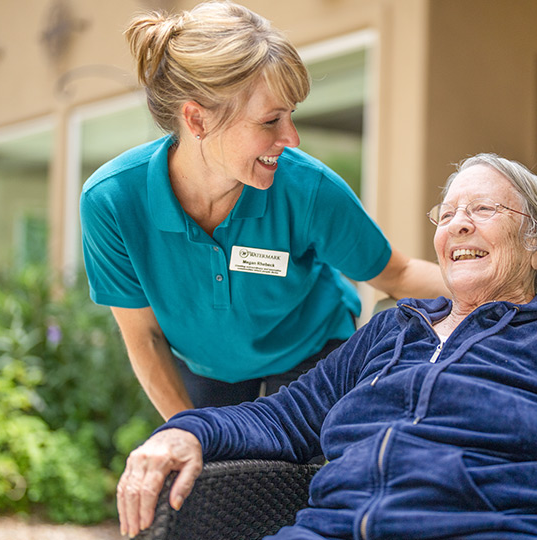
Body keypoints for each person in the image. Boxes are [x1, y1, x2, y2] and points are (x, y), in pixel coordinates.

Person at [117, 153, 537, 540]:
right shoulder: (392, 329)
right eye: (448, 213)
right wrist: (188, 430)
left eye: (483, 209)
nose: (457, 224)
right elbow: (284, 417)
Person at [79, 1, 448, 419]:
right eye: (271, 120)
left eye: (291, 115)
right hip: (206, 369)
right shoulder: (112, 201)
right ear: (197, 120)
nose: (291, 138)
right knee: (215, 477)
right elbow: (144, 337)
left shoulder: (309, 190)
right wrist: (190, 433)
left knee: (292, 478)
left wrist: (511, 288)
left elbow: (396, 275)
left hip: (312, 353)